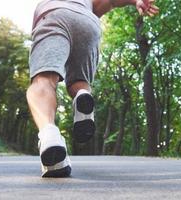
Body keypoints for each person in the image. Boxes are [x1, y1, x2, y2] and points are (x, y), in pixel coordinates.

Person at [26, 0, 159, 177]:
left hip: (54, 15)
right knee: (79, 82)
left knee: (44, 79)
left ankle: (49, 135)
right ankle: (82, 95)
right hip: (88, 22)